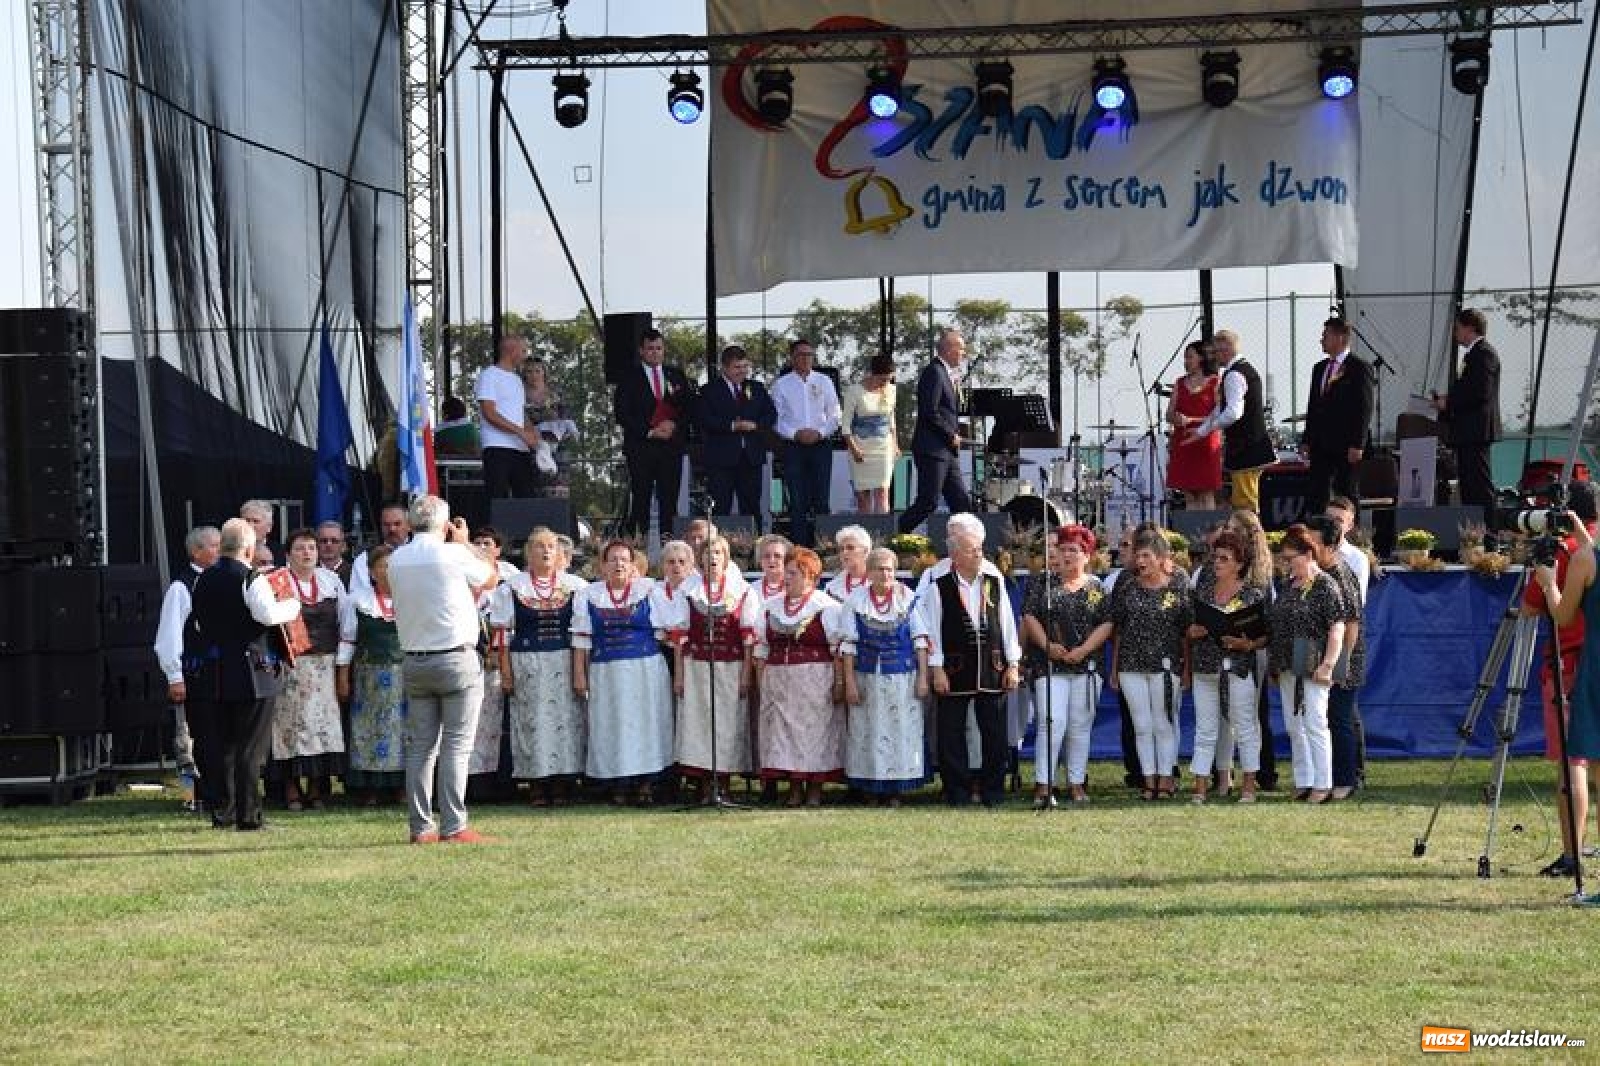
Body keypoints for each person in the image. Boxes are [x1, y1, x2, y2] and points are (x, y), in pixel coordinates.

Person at [386, 494, 500, 843]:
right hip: (454, 657)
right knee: (456, 745)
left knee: (421, 746)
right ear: (444, 523)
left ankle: (421, 827)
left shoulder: (396, 558)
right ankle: (454, 824)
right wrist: (467, 545)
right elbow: (491, 578)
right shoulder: (453, 553)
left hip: (415, 658)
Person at [183, 517, 302, 830]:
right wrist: (292, 606)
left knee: (223, 747)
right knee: (251, 748)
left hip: (215, 673)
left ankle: (224, 810)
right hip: (252, 674)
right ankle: (248, 815)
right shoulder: (250, 579)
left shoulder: (202, 579)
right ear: (249, 548)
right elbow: (266, 614)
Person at [1522, 480, 1599, 877]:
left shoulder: (1573, 553)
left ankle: (1573, 853)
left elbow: (1539, 610)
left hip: (1574, 664)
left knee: (1574, 761)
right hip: (1584, 661)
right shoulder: (1586, 546)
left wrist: (1547, 580)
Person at [920, 512, 1022, 807]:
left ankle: (993, 789)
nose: (978, 554)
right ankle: (957, 791)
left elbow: (1006, 622)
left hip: (991, 664)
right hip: (954, 665)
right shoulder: (939, 581)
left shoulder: (992, 577)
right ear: (955, 554)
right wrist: (936, 668)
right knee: (951, 732)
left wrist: (1013, 663)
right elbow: (931, 627)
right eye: (971, 550)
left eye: (979, 549)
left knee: (994, 730)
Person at [571, 540, 675, 805]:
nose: (618, 564)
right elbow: (582, 640)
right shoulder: (588, 595)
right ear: (602, 566)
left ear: (632, 566)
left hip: (645, 670)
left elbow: (668, 630)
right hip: (606, 672)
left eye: (624, 560)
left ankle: (645, 783)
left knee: (645, 726)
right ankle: (617, 783)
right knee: (612, 726)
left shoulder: (649, 590)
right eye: (613, 559)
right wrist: (579, 675)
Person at [493, 528, 588, 807]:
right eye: (539, 546)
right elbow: (502, 636)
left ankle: (562, 783)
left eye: (551, 546)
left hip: (563, 661)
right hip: (527, 663)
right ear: (528, 553)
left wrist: (580, 670)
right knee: (532, 723)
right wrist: (507, 673)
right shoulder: (512, 587)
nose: (546, 551)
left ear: (560, 553)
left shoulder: (575, 586)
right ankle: (535, 784)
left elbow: (580, 634)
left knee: (564, 722)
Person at [1021, 525, 1112, 807]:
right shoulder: (1043, 583)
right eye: (1063, 549)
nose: (1067, 555)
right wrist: (1048, 646)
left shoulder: (1096, 587)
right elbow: (1029, 616)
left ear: (1087, 556)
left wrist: (1085, 649)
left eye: (1074, 550)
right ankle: (1044, 783)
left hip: (1086, 667)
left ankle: (1076, 782)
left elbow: (1107, 622)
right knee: (1052, 722)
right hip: (1050, 665)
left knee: (1079, 725)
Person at [663, 534, 760, 799]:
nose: (713, 557)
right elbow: (680, 636)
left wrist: (746, 675)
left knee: (727, 724)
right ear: (701, 559)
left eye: (718, 552)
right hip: (697, 667)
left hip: (731, 666)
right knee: (699, 724)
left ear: (726, 558)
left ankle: (725, 783)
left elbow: (749, 638)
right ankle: (704, 784)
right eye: (708, 553)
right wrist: (680, 677)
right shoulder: (688, 591)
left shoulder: (742, 591)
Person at [753, 546, 846, 806]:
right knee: (783, 734)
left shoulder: (826, 607)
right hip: (779, 681)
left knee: (815, 733)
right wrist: (761, 681)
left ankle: (814, 789)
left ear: (811, 577)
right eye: (788, 572)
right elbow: (761, 648)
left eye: (795, 573)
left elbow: (837, 648)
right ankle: (794, 787)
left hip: (814, 680)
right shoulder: (770, 608)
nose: (788, 578)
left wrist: (838, 683)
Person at [837, 547, 931, 806]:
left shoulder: (908, 598)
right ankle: (870, 788)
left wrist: (923, 678)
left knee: (901, 731)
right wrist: (850, 683)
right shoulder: (856, 601)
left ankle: (895, 790)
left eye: (890, 568)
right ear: (869, 572)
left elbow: (921, 641)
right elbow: (847, 646)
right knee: (868, 732)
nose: (885, 574)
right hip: (867, 677)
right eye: (879, 568)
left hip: (903, 678)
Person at [265, 528, 348, 810]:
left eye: (311, 548)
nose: (308, 553)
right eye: (300, 548)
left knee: (321, 727)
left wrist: (342, 668)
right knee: (290, 727)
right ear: (288, 555)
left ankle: (315, 789)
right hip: (291, 666)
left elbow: (346, 624)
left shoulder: (331, 581)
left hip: (324, 665)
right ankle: (290, 789)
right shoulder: (277, 583)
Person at [1108, 528, 1192, 800]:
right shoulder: (1127, 586)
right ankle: (1148, 779)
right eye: (1137, 555)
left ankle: (1166, 779)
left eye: (1146, 555)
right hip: (1131, 665)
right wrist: (1114, 668)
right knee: (1141, 725)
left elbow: (1186, 632)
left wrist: (1187, 667)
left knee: (1164, 723)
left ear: (1160, 558)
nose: (1140, 561)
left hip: (1166, 666)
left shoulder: (1177, 585)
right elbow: (1117, 629)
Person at [1185, 530, 1268, 804]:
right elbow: (1188, 625)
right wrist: (1193, 631)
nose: (1217, 562)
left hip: (1237, 667)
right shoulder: (1203, 590)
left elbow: (1264, 634)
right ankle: (1199, 786)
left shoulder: (1252, 595)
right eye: (1215, 557)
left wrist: (1247, 644)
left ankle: (1248, 786)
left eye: (1224, 558)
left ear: (1239, 564)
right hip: (1206, 666)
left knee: (1244, 726)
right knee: (1205, 728)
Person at [1267, 523, 1347, 804]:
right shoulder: (1288, 585)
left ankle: (1322, 783)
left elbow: (1337, 627)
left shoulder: (1325, 584)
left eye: (1291, 558)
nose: (1287, 564)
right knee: (1293, 724)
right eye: (1284, 559)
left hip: (1314, 658)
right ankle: (1304, 780)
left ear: (1309, 554)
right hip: (1288, 661)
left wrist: (1328, 664)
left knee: (1315, 721)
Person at [153, 525, 221, 808]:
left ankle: (219, 791)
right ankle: (196, 794)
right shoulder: (181, 587)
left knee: (217, 735)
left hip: (219, 672)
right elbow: (168, 636)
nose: (220, 550)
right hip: (194, 672)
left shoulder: (221, 580)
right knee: (195, 736)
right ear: (197, 551)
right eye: (215, 545)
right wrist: (174, 676)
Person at [335, 544, 407, 806]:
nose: (388, 572)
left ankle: (401, 786)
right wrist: (343, 677)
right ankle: (370, 788)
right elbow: (347, 641)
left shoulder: (410, 598)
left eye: (392, 567)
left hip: (404, 677)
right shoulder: (358, 600)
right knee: (367, 730)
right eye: (382, 567)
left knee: (403, 731)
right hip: (369, 676)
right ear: (371, 572)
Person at [1307, 511, 1368, 801]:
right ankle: (1327, 778)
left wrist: (1337, 664)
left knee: (1340, 718)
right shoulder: (1315, 574)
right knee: (1326, 719)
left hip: (1342, 658)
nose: (1308, 549)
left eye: (1313, 543)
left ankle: (1346, 779)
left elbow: (1352, 625)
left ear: (1330, 546)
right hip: (1319, 657)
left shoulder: (1341, 575)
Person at [614, 328, 694, 538]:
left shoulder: (676, 376)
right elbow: (622, 413)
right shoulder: (628, 377)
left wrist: (674, 426)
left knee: (670, 501)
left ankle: (670, 546)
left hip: (670, 449)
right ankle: (641, 548)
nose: (655, 353)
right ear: (641, 351)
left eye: (659, 348)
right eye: (650, 349)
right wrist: (650, 431)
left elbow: (689, 408)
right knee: (641, 499)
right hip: (641, 448)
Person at [899, 328, 974, 535]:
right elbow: (929, 411)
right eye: (961, 349)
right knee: (928, 502)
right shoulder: (934, 372)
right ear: (949, 349)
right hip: (933, 449)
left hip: (946, 452)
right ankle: (896, 533)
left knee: (961, 503)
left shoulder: (946, 374)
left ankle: (970, 544)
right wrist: (950, 434)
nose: (963, 354)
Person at [1193, 330, 1277, 513]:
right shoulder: (1244, 370)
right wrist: (1202, 429)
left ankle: (1251, 538)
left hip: (1245, 448)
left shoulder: (1234, 375)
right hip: (1250, 446)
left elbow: (1232, 413)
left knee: (1245, 502)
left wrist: (1210, 428)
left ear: (1226, 350)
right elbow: (1222, 408)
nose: (1214, 357)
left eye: (1216, 352)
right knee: (1246, 498)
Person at [770, 338, 841, 548]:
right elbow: (776, 419)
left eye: (809, 355)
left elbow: (835, 414)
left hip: (821, 445)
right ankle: (799, 549)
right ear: (792, 358)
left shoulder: (824, 381)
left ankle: (824, 548)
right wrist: (795, 434)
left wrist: (820, 433)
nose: (806, 359)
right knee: (798, 501)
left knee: (821, 500)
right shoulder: (781, 385)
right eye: (801, 355)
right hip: (794, 447)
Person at [697, 344, 777, 527]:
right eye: (736, 367)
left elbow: (771, 415)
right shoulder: (709, 390)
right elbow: (705, 419)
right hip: (721, 459)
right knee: (720, 507)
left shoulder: (756, 388)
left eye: (744, 367)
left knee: (752, 507)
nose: (742, 371)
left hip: (751, 458)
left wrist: (755, 425)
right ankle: (717, 550)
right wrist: (732, 426)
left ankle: (752, 549)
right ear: (724, 368)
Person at [1302, 316, 1375, 515]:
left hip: (1346, 444)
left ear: (1341, 337)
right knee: (1317, 493)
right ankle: (1318, 535)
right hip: (1321, 444)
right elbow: (1314, 406)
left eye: (1326, 336)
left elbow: (1364, 407)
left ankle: (1353, 536)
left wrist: (1358, 444)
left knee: (1347, 492)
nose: (1321, 340)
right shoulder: (1319, 368)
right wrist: (1307, 439)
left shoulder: (1359, 367)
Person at [1431, 308, 1502, 510]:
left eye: (1458, 328)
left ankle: (1489, 531)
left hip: (1476, 431)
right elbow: (1470, 389)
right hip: (1468, 431)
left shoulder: (1484, 354)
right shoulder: (1474, 355)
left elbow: (1481, 391)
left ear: (1470, 328)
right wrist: (1447, 400)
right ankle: (1474, 529)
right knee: (1469, 485)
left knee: (1479, 483)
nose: (1455, 333)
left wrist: (1449, 401)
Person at [467, 526, 520, 793]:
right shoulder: (462, 574)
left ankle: (502, 782)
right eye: (476, 542)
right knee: (472, 722)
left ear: (498, 549)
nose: (482, 547)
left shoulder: (512, 577)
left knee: (500, 723)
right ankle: (473, 784)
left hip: (502, 658)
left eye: (488, 542)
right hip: (471, 656)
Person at [476, 335, 539, 500]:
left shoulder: (517, 380)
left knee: (527, 498)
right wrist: (520, 432)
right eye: (523, 350)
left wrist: (531, 431)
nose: (525, 356)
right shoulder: (489, 375)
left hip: (521, 449)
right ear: (512, 351)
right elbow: (489, 412)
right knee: (497, 499)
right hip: (497, 447)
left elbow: (520, 412)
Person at [1164, 340, 1223, 511]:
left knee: (1206, 493)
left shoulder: (1215, 382)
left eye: (1190, 357)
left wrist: (1193, 420)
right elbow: (1169, 414)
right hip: (1183, 442)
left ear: (1202, 358)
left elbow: (1220, 415)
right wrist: (1176, 418)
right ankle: (1191, 534)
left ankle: (1208, 531)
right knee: (1189, 493)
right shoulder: (1179, 383)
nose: (1186, 361)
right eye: (1185, 357)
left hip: (1206, 443)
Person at [841, 354, 900, 514]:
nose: (885, 383)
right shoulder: (854, 391)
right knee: (863, 496)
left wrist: (895, 444)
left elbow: (891, 419)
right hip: (860, 447)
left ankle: (884, 534)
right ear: (873, 374)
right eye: (882, 379)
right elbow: (845, 426)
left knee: (883, 492)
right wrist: (854, 450)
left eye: (889, 379)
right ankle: (865, 535)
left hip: (884, 447)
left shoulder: (891, 390)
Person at [522, 358, 571, 495]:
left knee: (559, 489)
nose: (533, 375)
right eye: (529, 371)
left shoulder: (557, 393)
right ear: (524, 374)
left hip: (558, 446)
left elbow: (567, 417)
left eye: (538, 371)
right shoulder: (519, 394)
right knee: (535, 488)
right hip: (531, 447)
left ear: (544, 372)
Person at [349, 501, 412, 600]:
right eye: (386, 524)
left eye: (397, 524)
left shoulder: (420, 554)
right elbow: (357, 597)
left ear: (409, 526)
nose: (392, 529)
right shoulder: (364, 559)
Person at [822, 524, 872, 602]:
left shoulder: (879, 583)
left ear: (865, 551)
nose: (844, 552)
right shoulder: (832, 587)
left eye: (850, 548)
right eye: (841, 549)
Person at [240, 499, 278, 569]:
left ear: (269, 526)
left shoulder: (281, 553)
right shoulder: (229, 550)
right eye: (247, 520)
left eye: (256, 521)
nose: (250, 525)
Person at [315, 520, 351, 587]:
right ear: (316, 545)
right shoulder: (308, 573)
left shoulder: (354, 575)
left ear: (343, 546)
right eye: (323, 541)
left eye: (334, 541)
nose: (328, 545)